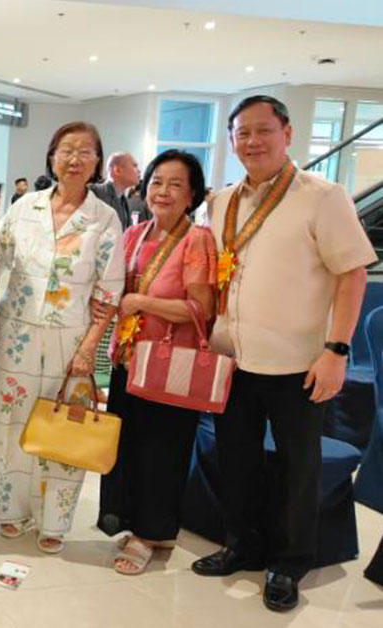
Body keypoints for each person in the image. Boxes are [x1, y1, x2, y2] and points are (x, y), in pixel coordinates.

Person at [192, 95, 375, 612]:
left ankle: (290, 563)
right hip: (233, 356)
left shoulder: (323, 196)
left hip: (298, 361)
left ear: (287, 134)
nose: (252, 141)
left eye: (263, 130)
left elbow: (352, 274)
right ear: (232, 140)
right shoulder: (222, 201)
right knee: (237, 459)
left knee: (298, 467)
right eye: (242, 133)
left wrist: (336, 350)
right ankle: (242, 544)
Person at [0, 121, 124, 554]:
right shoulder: (25, 207)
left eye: (85, 151)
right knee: (11, 420)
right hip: (16, 331)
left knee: (64, 426)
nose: (74, 159)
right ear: (52, 157)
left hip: (71, 339)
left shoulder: (104, 219)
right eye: (66, 150)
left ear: (97, 162)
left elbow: (109, 292)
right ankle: (10, 509)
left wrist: (90, 347)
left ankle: (54, 520)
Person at [95, 149, 216, 575]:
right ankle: (137, 524)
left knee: (161, 449)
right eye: (157, 182)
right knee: (128, 444)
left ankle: (150, 533)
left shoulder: (197, 240)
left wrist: (142, 302)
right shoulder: (135, 233)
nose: (163, 191)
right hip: (129, 360)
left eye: (176, 184)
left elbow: (202, 309)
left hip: (169, 364)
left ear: (192, 195)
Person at [91, 152, 150, 230]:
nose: (139, 171)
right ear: (117, 170)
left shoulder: (123, 201)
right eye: (134, 166)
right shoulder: (94, 192)